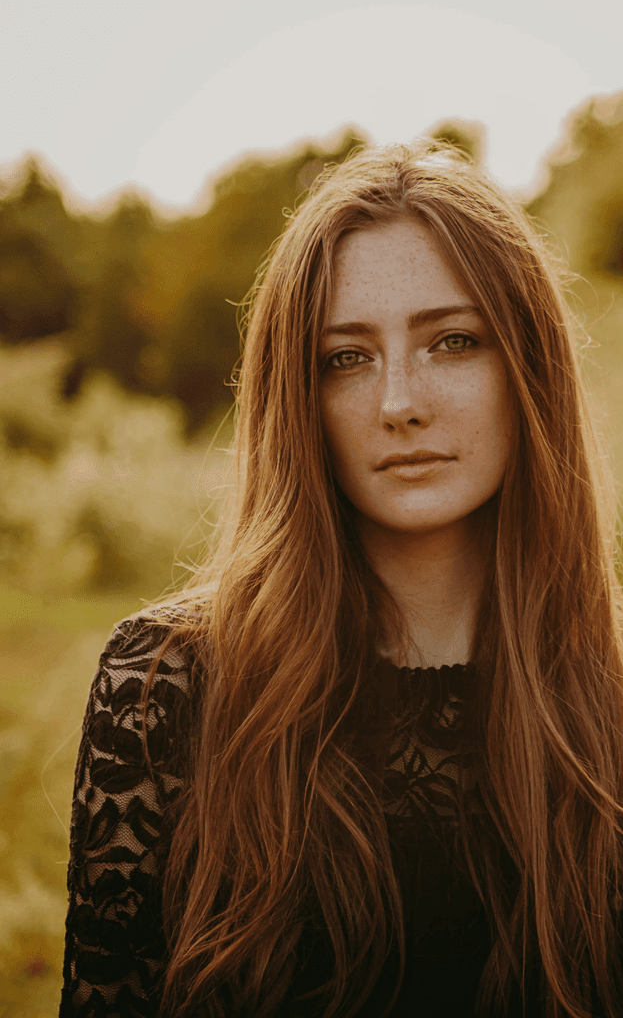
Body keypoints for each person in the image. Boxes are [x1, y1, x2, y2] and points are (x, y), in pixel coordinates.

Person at [58, 141, 623, 1018]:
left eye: (454, 340)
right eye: (346, 357)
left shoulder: (611, 697)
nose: (400, 399)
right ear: (299, 397)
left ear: (530, 370)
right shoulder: (162, 686)